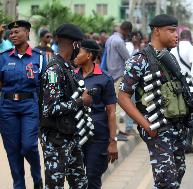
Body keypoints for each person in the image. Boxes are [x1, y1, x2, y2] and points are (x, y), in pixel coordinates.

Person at [118, 14, 188, 188]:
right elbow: (122, 96)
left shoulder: (169, 58)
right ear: (157, 31)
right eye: (171, 31)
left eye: (176, 30)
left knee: (178, 173)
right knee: (166, 180)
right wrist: (146, 125)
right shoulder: (139, 60)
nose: (176, 35)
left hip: (177, 127)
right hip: (158, 128)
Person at [40, 23, 91, 188]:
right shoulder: (54, 70)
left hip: (71, 135)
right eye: (79, 45)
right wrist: (80, 101)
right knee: (55, 185)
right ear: (75, 44)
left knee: (80, 183)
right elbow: (50, 108)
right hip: (56, 139)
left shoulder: (67, 67)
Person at [0, 20, 44, 189]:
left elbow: (43, 86)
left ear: (27, 33)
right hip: (7, 107)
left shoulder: (39, 58)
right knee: (12, 150)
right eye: (11, 33)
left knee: (28, 146)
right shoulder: (4, 57)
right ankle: (19, 185)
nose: (13, 35)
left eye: (17, 32)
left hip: (29, 106)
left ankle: (37, 175)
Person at [74, 39, 118, 189]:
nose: (76, 55)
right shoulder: (71, 76)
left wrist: (113, 141)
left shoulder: (105, 78)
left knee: (92, 176)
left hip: (97, 136)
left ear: (89, 55)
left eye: (79, 52)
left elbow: (111, 112)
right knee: (76, 178)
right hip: (75, 133)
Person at [171, 29, 193, 154]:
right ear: (190, 38)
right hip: (191, 89)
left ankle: (178, 143)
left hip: (175, 88)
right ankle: (188, 141)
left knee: (177, 115)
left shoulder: (173, 50)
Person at [105, 21, 133, 139]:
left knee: (112, 105)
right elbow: (129, 59)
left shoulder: (110, 39)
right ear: (126, 31)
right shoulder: (119, 41)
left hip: (110, 75)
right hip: (119, 76)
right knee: (118, 106)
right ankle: (116, 133)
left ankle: (116, 131)